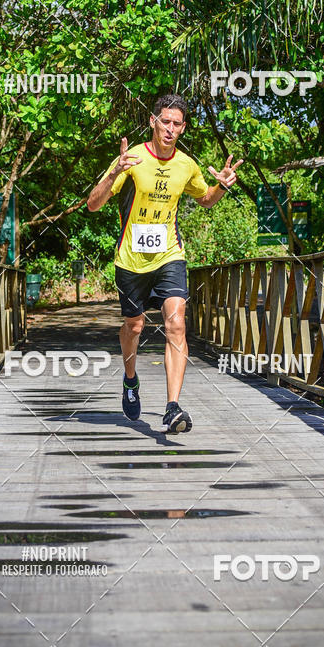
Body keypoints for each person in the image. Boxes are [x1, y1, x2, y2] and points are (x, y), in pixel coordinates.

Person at [87, 94, 243, 433]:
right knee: (134, 328)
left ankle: (172, 407)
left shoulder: (187, 165)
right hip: (130, 260)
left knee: (176, 323)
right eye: (165, 122)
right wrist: (113, 172)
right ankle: (130, 380)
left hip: (169, 255)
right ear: (153, 122)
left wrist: (221, 186)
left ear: (182, 128)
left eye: (177, 124)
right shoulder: (132, 158)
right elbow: (93, 205)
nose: (170, 129)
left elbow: (205, 200)